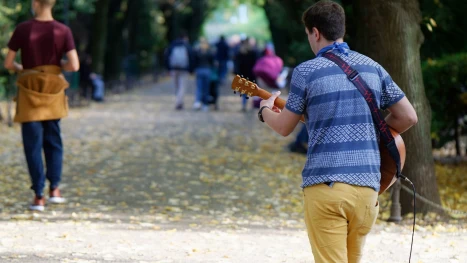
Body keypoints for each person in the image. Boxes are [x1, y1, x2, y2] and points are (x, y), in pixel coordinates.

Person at [256, 1, 418, 262]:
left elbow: (285, 126)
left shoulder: (306, 71)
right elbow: (409, 116)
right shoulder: (371, 66)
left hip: (327, 188)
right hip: (368, 191)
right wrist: (372, 133)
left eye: (308, 34)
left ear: (316, 32)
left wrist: (264, 110)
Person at [3, 0, 80, 211]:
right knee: (54, 140)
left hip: (29, 90)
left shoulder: (23, 29)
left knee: (32, 144)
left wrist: (23, 69)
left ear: (35, 3)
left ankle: (38, 195)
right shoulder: (63, 30)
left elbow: (8, 63)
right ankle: (54, 189)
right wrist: (57, 66)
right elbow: (74, 64)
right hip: (53, 89)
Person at [164, 32, 193, 110]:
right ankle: (179, 102)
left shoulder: (172, 45)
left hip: (173, 68)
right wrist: (191, 69)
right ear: (185, 38)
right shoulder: (186, 45)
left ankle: (178, 101)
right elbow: (191, 57)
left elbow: (166, 56)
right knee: (182, 86)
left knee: (176, 86)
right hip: (184, 69)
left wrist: (168, 68)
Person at [234, 38, 258, 111]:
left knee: (244, 91)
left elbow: (237, 65)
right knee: (253, 90)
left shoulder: (239, 53)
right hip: (251, 74)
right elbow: (256, 63)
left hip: (243, 75)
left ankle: (244, 105)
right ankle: (254, 104)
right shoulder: (253, 52)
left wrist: (237, 73)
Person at [193, 38, 215, 111]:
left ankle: (198, 102)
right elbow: (212, 62)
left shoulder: (197, 51)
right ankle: (205, 104)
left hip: (199, 70)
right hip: (207, 70)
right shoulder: (209, 52)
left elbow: (195, 61)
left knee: (199, 87)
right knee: (206, 88)